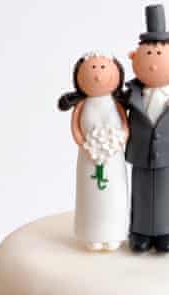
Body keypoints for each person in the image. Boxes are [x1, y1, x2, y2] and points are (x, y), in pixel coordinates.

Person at [125, 4, 169, 253]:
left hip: (168, 155)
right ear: (134, 56)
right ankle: (140, 232)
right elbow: (119, 117)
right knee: (141, 192)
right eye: (149, 55)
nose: (154, 64)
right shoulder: (133, 96)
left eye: (159, 54)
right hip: (140, 153)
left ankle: (166, 232)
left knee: (166, 193)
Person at [58, 53, 129, 251]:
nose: (97, 74)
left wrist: (120, 139)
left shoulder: (116, 104)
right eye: (93, 68)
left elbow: (125, 124)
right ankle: (91, 234)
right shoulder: (82, 104)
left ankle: (114, 233)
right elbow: (75, 127)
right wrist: (84, 144)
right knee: (90, 197)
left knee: (114, 195)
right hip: (88, 156)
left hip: (113, 157)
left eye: (103, 68)